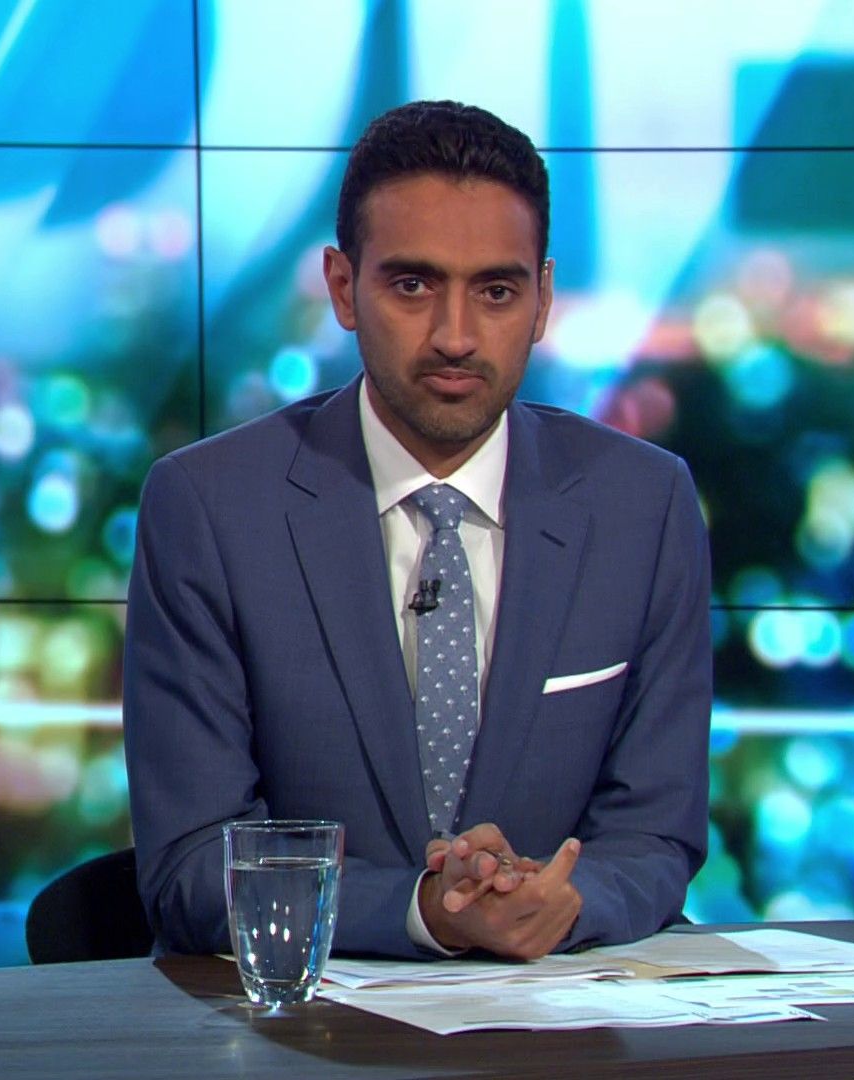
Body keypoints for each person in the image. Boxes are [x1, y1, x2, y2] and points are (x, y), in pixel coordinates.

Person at [123, 101, 712, 960]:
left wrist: (554, 902)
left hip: (565, 1011)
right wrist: (427, 911)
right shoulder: (210, 507)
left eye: (497, 291)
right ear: (342, 287)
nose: (456, 337)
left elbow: (656, 836)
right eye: (412, 286)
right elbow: (191, 863)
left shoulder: (643, 505)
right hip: (303, 1019)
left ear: (543, 299)